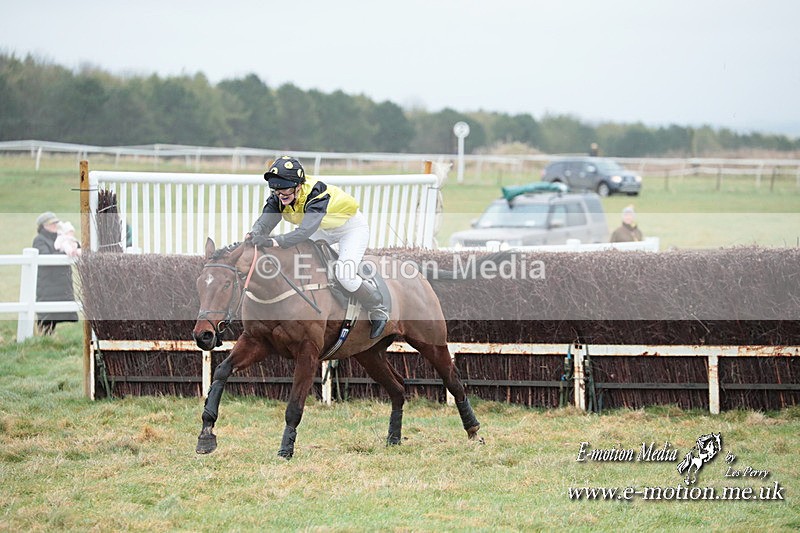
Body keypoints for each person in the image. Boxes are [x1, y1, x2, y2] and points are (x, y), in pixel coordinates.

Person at [248, 156, 389, 338]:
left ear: (299, 185)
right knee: (300, 262)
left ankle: (378, 308)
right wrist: (254, 233)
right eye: (276, 189)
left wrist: (273, 242)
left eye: (285, 189)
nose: (281, 194)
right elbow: (265, 223)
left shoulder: (316, 193)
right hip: (324, 229)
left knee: (343, 274)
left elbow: (304, 232)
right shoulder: (279, 196)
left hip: (350, 229)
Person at [32, 212, 78, 335]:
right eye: (51, 223)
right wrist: (66, 254)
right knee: (47, 316)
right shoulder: (39, 240)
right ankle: (44, 339)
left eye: (55, 223)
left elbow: (74, 244)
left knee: (57, 312)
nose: (54, 225)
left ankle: (50, 340)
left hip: (60, 283)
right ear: (43, 226)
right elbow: (45, 258)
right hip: (48, 284)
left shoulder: (60, 237)